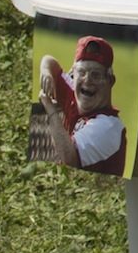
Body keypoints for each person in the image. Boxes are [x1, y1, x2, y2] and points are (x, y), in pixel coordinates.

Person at [37, 36, 126, 175]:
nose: (87, 81)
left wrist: (51, 111)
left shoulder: (108, 127)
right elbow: (50, 61)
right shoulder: (75, 95)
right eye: (81, 72)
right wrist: (46, 72)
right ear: (73, 73)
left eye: (96, 75)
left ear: (110, 81)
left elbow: (69, 159)